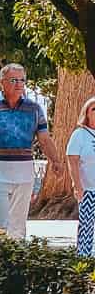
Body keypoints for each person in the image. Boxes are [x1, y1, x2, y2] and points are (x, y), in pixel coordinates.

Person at [0, 64, 63, 239]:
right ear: (2, 82)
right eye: (13, 80)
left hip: (24, 173)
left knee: (18, 226)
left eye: (22, 80)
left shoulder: (34, 109)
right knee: (0, 225)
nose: (19, 84)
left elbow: (45, 139)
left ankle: (17, 256)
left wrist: (55, 161)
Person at [66, 94, 95, 257]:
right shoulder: (80, 135)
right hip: (88, 189)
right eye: (94, 109)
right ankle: (84, 258)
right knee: (87, 225)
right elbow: (73, 161)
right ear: (87, 113)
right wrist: (77, 186)